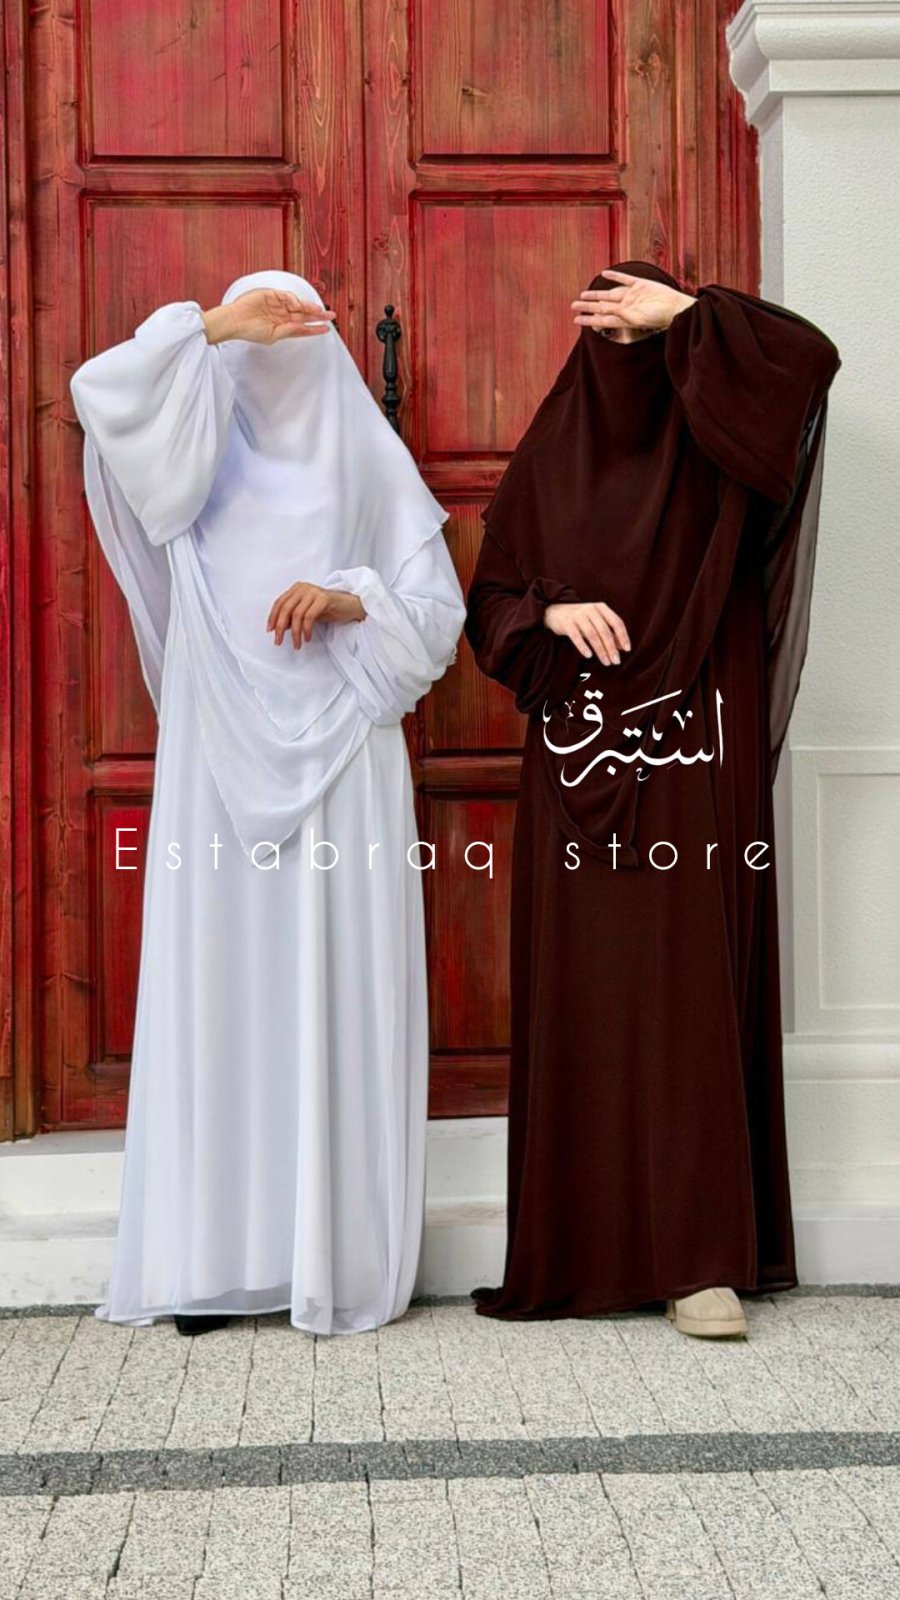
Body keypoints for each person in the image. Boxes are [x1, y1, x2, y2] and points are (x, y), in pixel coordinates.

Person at [70, 268, 465, 1336]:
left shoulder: (367, 463)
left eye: (288, 336)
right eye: (255, 340)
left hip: (344, 760)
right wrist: (210, 326)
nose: (270, 362)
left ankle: (327, 1253)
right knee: (224, 991)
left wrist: (349, 598)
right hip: (218, 760)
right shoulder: (195, 458)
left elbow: (436, 616)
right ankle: (216, 1258)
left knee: (330, 988)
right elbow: (100, 392)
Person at [464, 261, 840, 1338]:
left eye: (645, 337)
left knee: (687, 993)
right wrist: (549, 611)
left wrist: (684, 316)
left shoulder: (716, 450)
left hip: (694, 752)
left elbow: (809, 361)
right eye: (612, 336)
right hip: (580, 764)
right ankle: (587, 1246)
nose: (626, 358)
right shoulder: (553, 457)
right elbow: (488, 608)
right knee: (589, 995)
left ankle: (699, 1261)